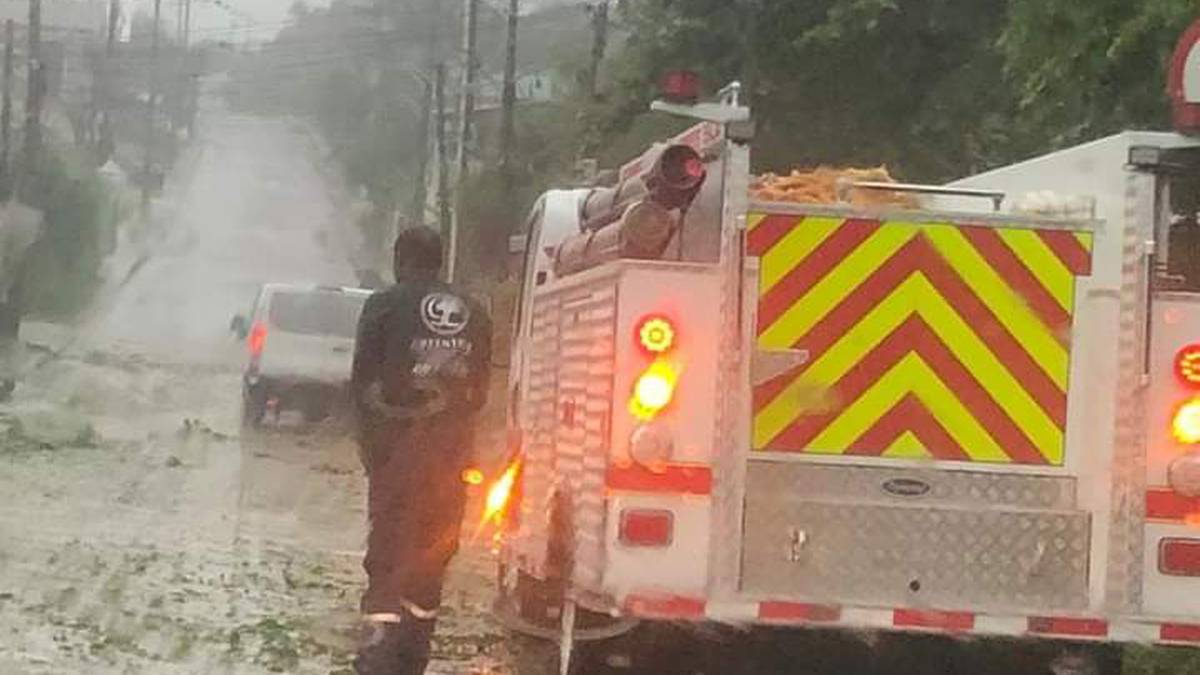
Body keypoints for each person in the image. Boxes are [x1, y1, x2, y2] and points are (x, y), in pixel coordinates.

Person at [349, 226, 491, 675]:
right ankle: (414, 658)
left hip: (397, 455)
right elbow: (479, 393)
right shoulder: (475, 312)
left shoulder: (384, 305)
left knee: (388, 552)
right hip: (451, 460)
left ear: (400, 260)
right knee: (434, 555)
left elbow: (361, 384)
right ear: (440, 260)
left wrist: (373, 448)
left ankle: (378, 656)